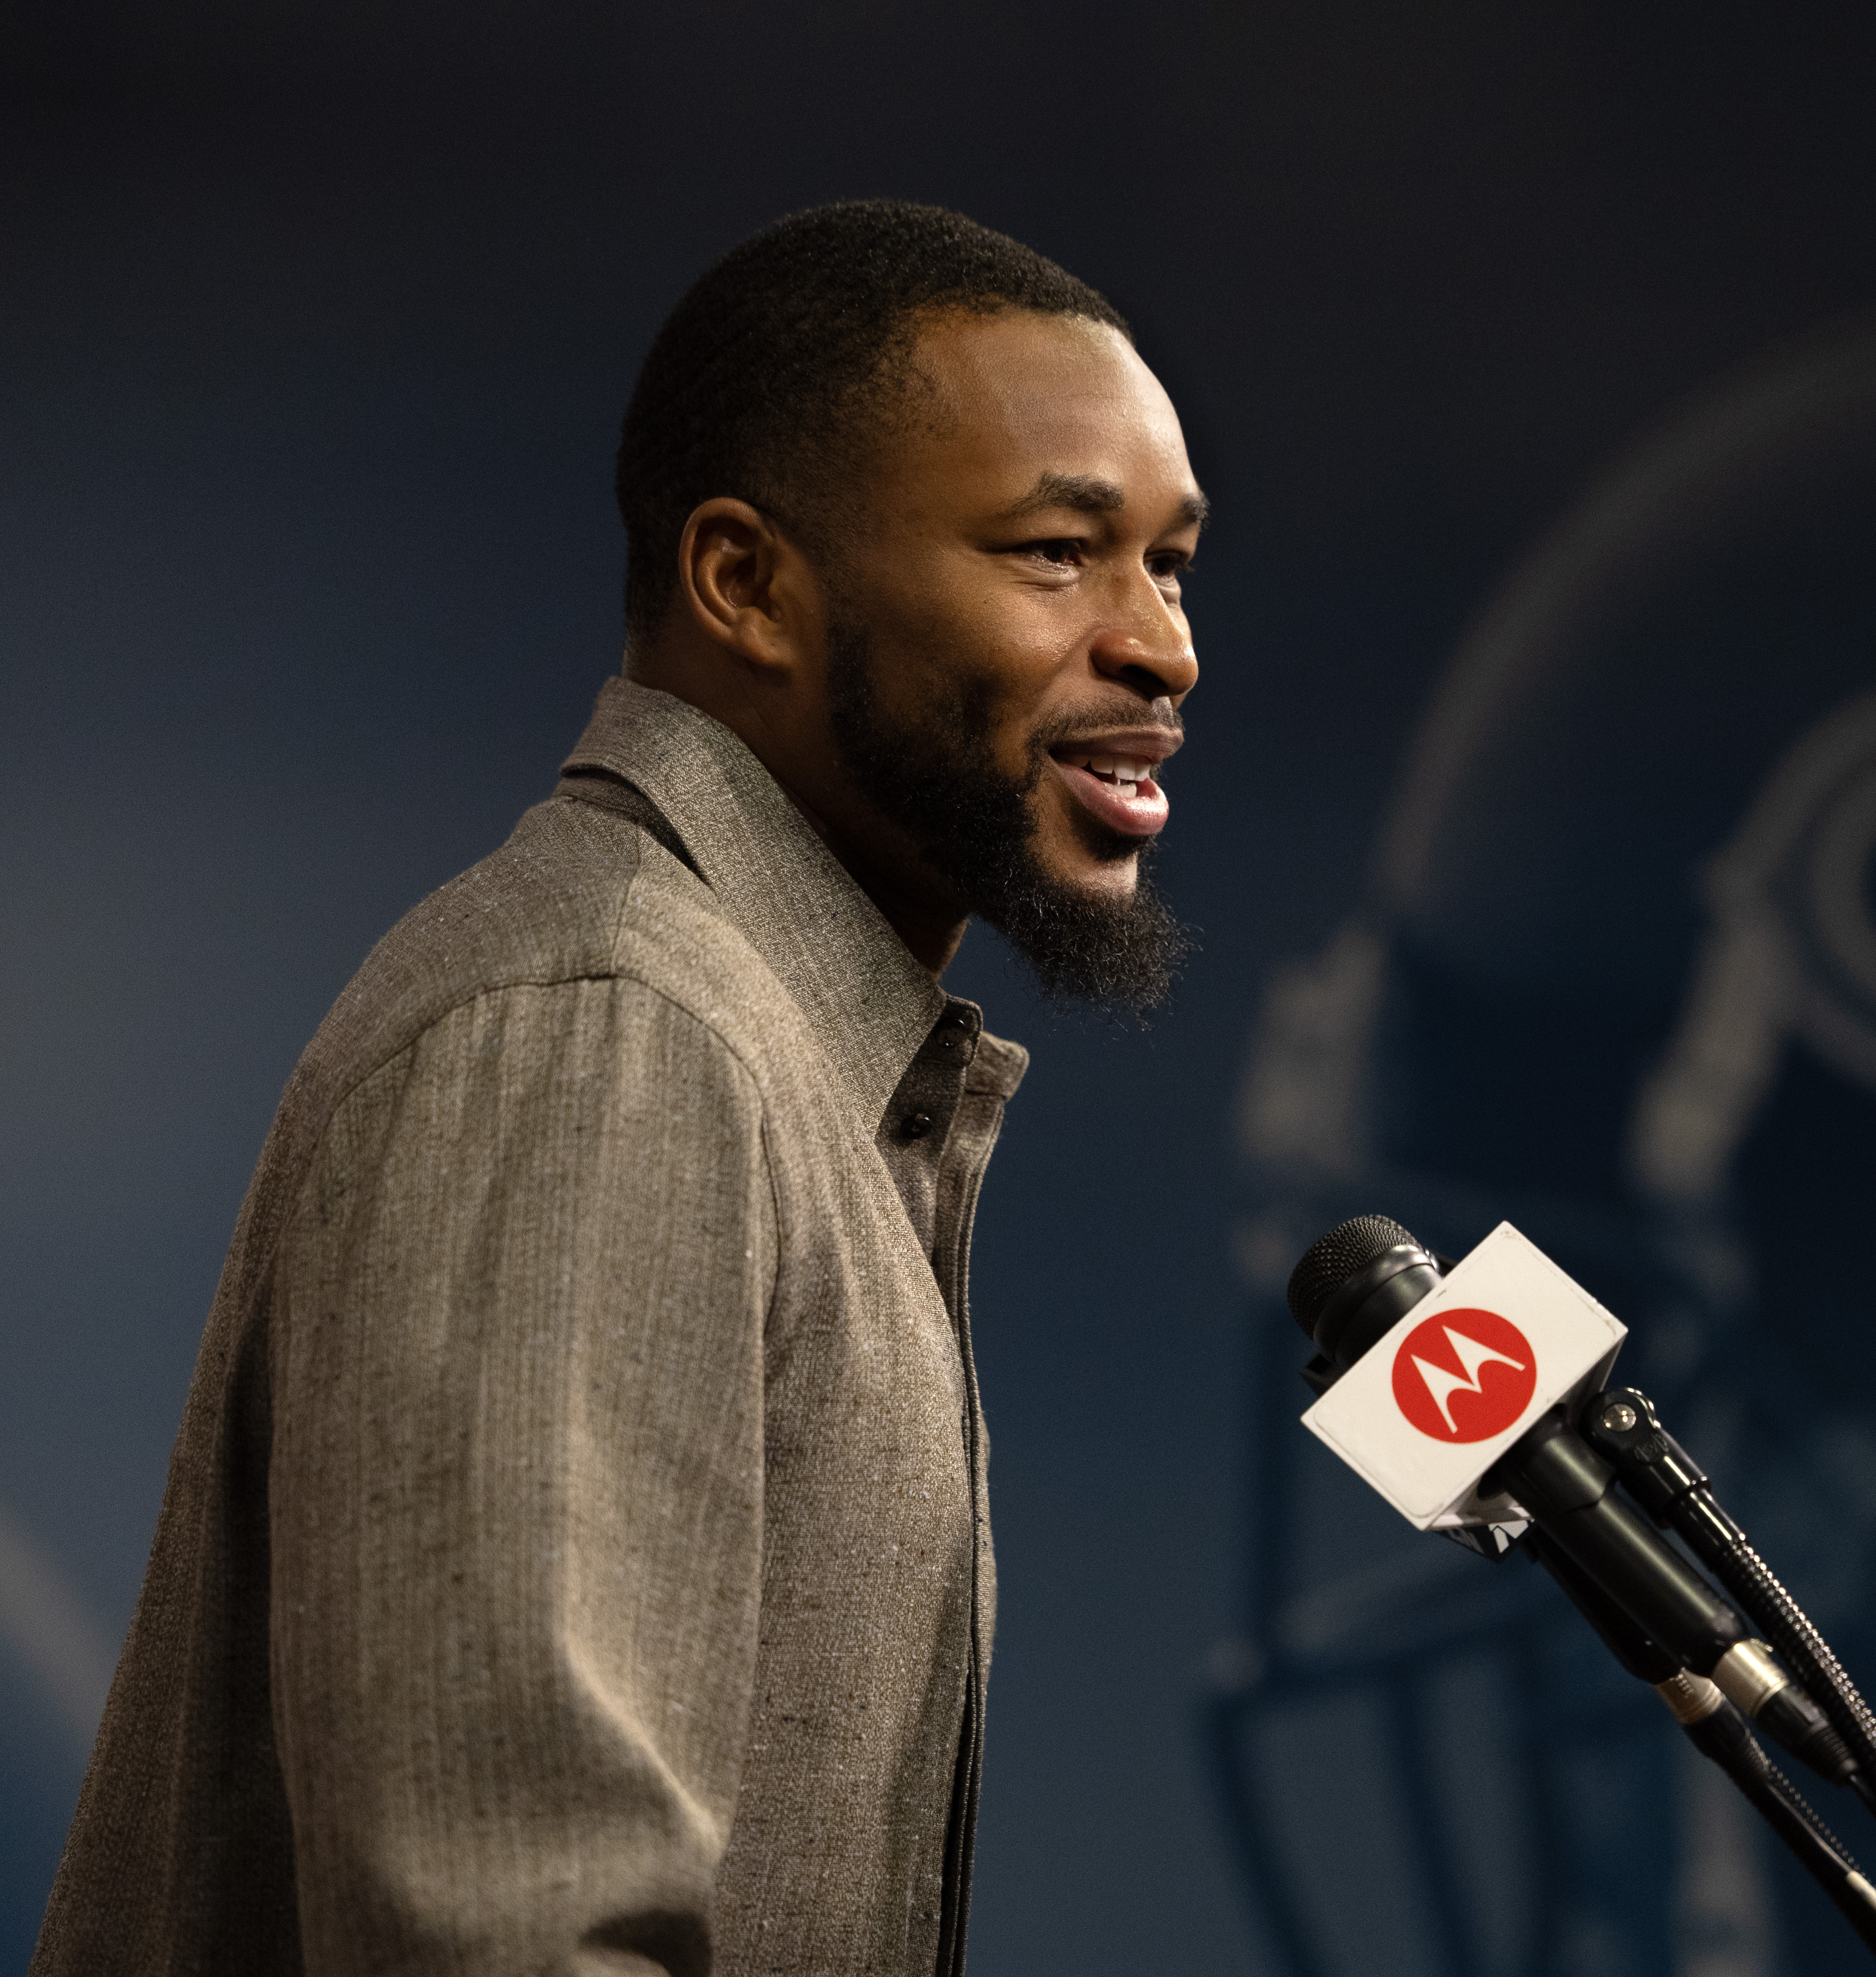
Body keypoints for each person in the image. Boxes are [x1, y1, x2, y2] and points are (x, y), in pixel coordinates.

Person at [34, 199, 1204, 1976]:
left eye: (1172, 567)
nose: (1161, 650)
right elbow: (508, 1934)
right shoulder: (607, 1030)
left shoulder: (766, 1044)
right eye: (1058, 552)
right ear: (745, 585)